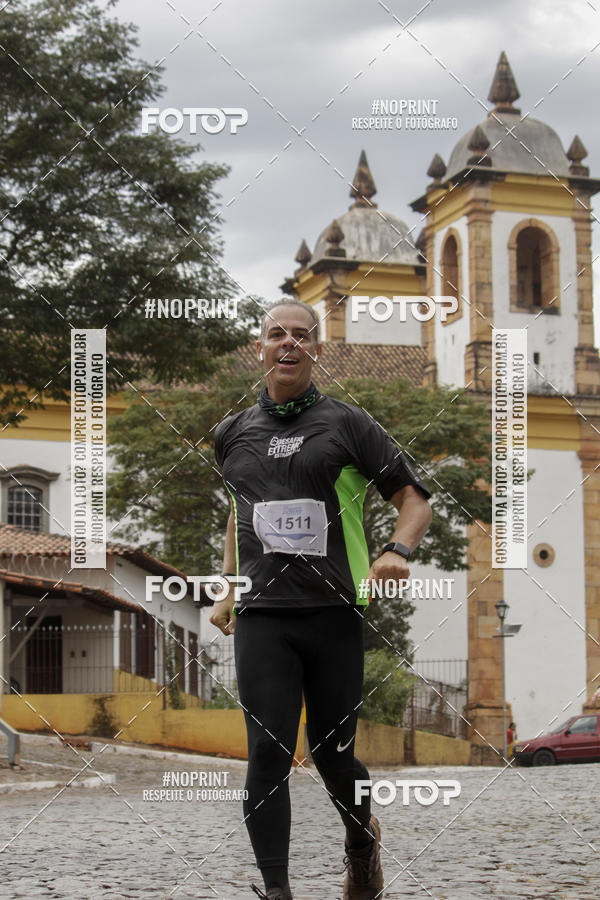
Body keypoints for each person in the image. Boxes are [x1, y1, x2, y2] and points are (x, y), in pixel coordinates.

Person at [210, 299, 432, 900]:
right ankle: (277, 890)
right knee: (267, 750)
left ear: (316, 349)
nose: (288, 343)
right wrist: (228, 587)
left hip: (333, 611)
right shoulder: (231, 434)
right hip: (263, 614)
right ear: (259, 348)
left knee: (334, 756)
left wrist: (397, 550)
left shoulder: (349, 424)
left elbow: (414, 500)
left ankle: (361, 844)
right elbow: (239, 514)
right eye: (276, 334)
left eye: (301, 335)